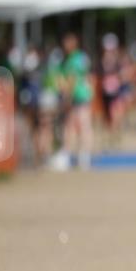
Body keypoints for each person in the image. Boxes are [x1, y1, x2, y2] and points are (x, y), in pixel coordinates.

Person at [53, 32, 94, 170]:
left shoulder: (76, 59)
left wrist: (67, 97)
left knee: (80, 125)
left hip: (79, 97)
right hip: (78, 96)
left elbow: (73, 79)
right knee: (71, 126)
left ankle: (81, 155)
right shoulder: (72, 59)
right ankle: (72, 154)